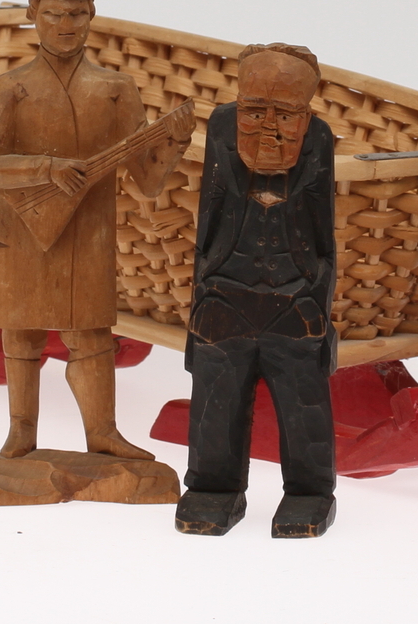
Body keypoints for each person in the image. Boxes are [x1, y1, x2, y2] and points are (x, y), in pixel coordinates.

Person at [0, 0, 191, 461]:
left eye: (77, 14)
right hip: (21, 228)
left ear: (93, 16)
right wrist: (45, 167)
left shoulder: (115, 90)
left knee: (92, 336)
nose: (65, 25)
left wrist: (174, 143)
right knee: (21, 334)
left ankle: (103, 433)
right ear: (32, 14)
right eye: (53, 14)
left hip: (89, 231)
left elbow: (147, 181)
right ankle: (20, 432)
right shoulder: (11, 87)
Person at [176, 44, 338, 538]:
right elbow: (209, 216)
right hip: (224, 296)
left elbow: (323, 233)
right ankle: (213, 488)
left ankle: (310, 493)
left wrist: (318, 299)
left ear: (305, 114)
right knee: (215, 402)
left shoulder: (318, 139)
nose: (268, 127)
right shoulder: (222, 128)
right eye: (253, 110)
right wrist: (203, 292)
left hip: (294, 300)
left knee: (304, 404)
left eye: (284, 114)